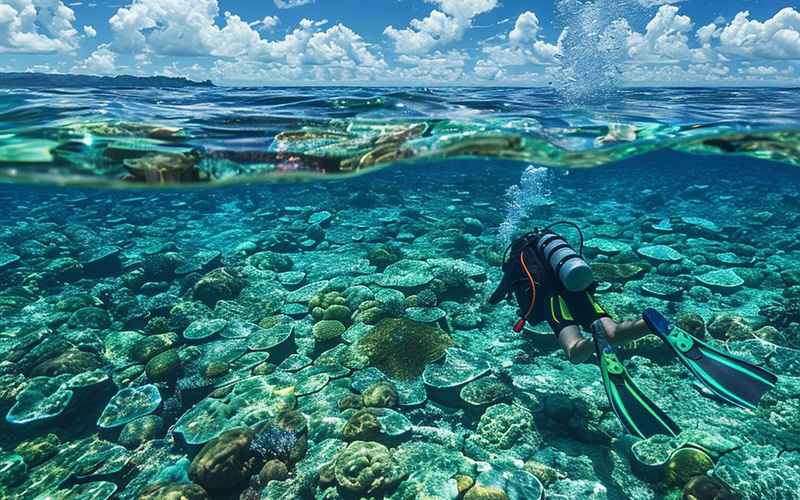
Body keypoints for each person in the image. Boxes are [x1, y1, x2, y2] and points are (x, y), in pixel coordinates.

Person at [489, 223, 778, 439]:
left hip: (553, 299)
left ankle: (596, 343)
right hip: (579, 290)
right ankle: (649, 324)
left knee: (575, 352)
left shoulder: (520, 255)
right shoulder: (552, 247)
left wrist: (493, 299)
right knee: (611, 331)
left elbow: (503, 291)